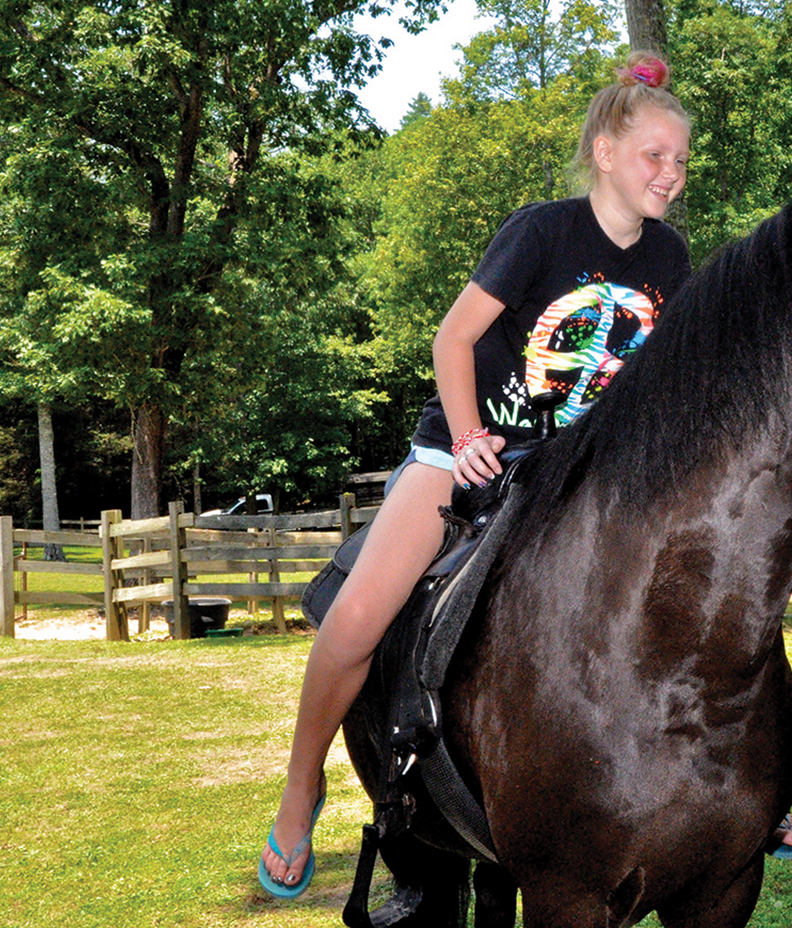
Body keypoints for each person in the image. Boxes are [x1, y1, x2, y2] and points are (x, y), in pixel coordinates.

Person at [259, 53, 735, 897]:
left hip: (585, 474)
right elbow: (451, 340)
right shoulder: (540, 233)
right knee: (361, 616)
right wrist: (472, 433)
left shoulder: (669, 256)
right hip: (470, 453)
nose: (672, 174)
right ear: (606, 152)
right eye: (656, 155)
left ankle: (747, 784)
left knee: (713, 585)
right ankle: (303, 784)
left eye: (682, 160)